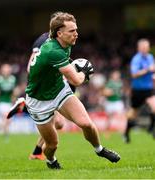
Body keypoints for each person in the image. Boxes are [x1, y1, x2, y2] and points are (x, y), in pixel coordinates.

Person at [25, 11, 120, 169]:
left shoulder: (65, 44)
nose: (76, 34)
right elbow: (76, 80)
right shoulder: (53, 50)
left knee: (86, 124)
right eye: (72, 31)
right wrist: (85, 72)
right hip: (38, 100)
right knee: (52, 144)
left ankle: (100, 150)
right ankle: (51, 160)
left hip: (58, 90)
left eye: (76, 29)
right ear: (59, 33)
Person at [7, 30, 65, 160]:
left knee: (59, 124)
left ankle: (36, 151)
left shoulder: (59, 41)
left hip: (52, 84)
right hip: (44, 85)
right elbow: (30, 66)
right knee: (58, 122)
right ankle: (25, 106)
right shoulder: (43, 40)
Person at [124, 38, 155, 143]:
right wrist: (147, 70)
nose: (146, 49)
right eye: (143, 47)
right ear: (139, 48)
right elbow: (134, 74)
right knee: (133, 113)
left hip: (149, 89)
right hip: (137, 90)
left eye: (147, 47)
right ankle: (126, 133)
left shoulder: (150, 57)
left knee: (154, 106)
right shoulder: (136, 59)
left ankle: (151, 128)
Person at [0, 64, 17, 137]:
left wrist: (14, 97)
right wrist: (1, 91)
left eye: (8, 70)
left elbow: (15, 91)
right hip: (1, 102)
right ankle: (1, 133)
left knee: (7, 120)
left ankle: (5, 136)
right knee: (7, 118)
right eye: (5, 70)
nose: (6, 71)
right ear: (2, 70)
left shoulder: (12, 79)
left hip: (9, 103)